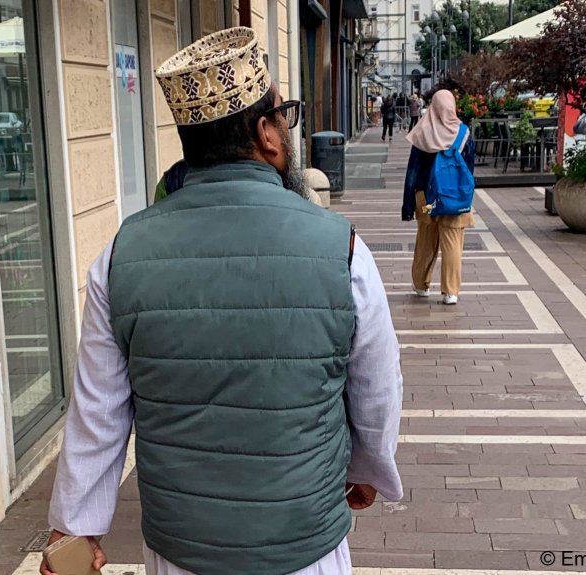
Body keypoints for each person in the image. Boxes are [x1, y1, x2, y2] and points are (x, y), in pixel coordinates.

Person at [43, 26, 403, 575]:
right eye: (286, 115)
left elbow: (99, 412)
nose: (288, 126)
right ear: (266, 133)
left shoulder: (120, 256)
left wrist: (74, 528)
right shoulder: (342, 249)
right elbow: (377, 386)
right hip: (304, 547)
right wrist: (367, 468)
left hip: (180, 551)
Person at [402, 89, 477, 306]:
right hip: (455, 197)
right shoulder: (463, 133)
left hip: (426, 199)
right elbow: (469, 169)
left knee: (426, 241)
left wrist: (408, 204)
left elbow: (413, 171)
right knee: (453, 243)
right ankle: (450, 292)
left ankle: (421, 284)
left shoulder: (423, 131)